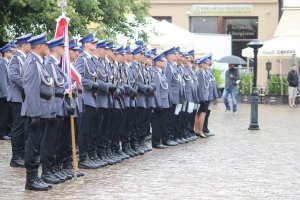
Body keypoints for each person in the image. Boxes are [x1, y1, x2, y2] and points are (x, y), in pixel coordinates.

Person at [22, 32, 53, 191]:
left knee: (38, 145)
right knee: (32, 145)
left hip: (42, 108)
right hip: (35, 111)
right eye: (46, 45)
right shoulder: (33, 62)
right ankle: (31, 179)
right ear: (41, 46)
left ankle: (36, 177)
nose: (48, 48)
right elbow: (30, 89)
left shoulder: (39, 62)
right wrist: (35, 113)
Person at [8, 33, 32, 167]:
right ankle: (16, 156)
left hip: (23, 97)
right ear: (24, 45)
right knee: (18, 127)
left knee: (24, 127)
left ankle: (22, 154)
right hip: (17, 97)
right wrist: (27, 84)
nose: (31, 46)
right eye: (29, 44)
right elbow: (13, 76)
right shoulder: (16, 58)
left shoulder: (25, 58)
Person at [152, 52, 169, 149]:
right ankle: (156, 142)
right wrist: (158, 104)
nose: (164, 62)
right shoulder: (156, 73)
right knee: (157, 123)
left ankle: (160, 140)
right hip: (159, 103)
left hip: (164, 102)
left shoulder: (161, 73)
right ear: (157, 62)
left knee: (161, 122)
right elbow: (156, 90)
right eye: (162, 61)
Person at [0, 43, 13, 140]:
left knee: (7, 114)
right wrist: (6, 94)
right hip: (4, 94)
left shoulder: (7, 63)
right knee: (4, 114)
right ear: (5, 53)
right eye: (9, 52)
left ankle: (6, 131)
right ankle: (2, 132)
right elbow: (3, 80)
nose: (12, 53)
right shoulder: (2, 64)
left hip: (8, 93)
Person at [194, 57, 210, 138]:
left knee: (200, 114)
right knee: (202, 114)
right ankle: (199, 131)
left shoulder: (203, 72)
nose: (208, 65)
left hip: (204, 96)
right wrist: (202, 98)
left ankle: (198, 130)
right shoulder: (200, 73)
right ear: (203, 64)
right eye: (206, 63)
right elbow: (199, 86)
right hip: (202, 97)